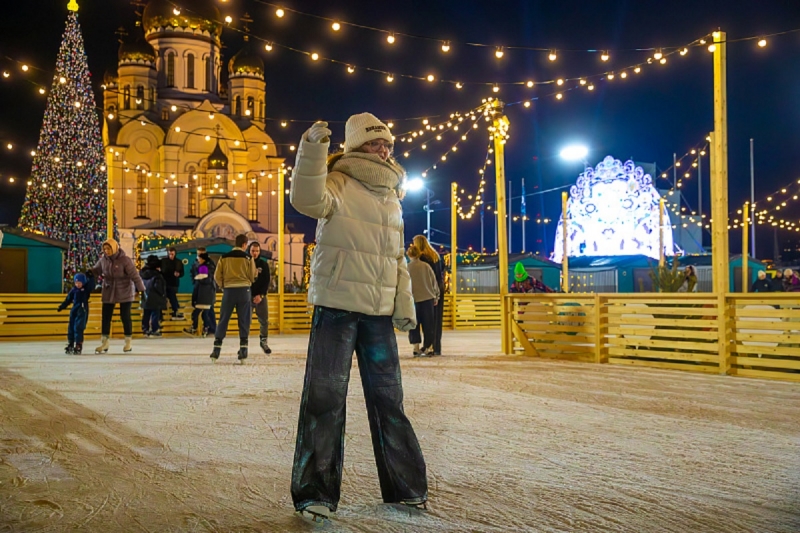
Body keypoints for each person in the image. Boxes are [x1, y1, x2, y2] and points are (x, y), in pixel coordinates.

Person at [289, 114, 427, 520]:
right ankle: (315, 491)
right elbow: (306, 199)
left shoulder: (391, 196)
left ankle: (405, 487)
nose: (383, 151)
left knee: (389, 400)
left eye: (386, 144)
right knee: (325, 397)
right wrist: (312, 150)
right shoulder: (338, 182)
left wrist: (404, 305)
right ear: (353, 148)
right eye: (374, 144)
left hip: (378, 316)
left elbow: (396, 258)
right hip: (337, 307)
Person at [91, 239, 145, 353]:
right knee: (106, 317)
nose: (107, 251)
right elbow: (96, 270)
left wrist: (142, 290)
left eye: (109, 248)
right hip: (109, 290)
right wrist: (89, 273)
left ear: (114, 248)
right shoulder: (103, 260)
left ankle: (128, 342)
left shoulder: (125, 260)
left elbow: (135, 275)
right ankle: (104, 343)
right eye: (105, 249)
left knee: (125, 316)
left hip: (125, 290)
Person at [210, 234, 256, 362]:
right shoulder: (248, 258)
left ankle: (216, 349)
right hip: (244, 291)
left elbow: (217, 276)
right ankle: (243, 350)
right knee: (244, 320)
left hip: (229, 291)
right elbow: (252, 276)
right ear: (244, 244)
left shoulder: (224, 258)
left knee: (224, 319)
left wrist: (223, 285)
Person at [413, 235, 444, 356]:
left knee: (427, 320)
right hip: (439, 288)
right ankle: (436, 347)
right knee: (436, 320)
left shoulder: (422, 258)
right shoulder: (436, 256)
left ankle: (427, 346)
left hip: (427, 290)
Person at [407, 244, 439, 357]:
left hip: (413, 300)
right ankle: (428, 347)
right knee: (428, 324)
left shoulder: (407, 268)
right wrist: (436, 296)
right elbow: (434, 282)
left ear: (409, 254)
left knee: (414, 325)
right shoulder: (426, 266)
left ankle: (415, 347)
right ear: (419, 254)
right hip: (427, 299)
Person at [57, 271, 96, 354]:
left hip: (82, 309)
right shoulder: (73, 290)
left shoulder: (86, 289)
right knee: (71, 326)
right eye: (76, 282)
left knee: (78, 327)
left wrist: (91, 277)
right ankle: (70, 343)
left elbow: (92, 285)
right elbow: (68, 299)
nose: (78, 284)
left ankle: (78, 344)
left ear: (83, 282)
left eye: (79, 283)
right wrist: (62, 306)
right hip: (74, 309)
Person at [247, 241, 272, 354]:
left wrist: (261, 295)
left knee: (264, 320)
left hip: (260, 297)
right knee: (246, 320)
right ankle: (244, 343)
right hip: (247, 296)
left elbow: (266, 281)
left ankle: (263, 341)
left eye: (257, 251)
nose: (255, 253)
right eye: (253, 251)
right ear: (249, 251)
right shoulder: (245, 263)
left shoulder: (263, 264)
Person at [184, 253, 216, 337]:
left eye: (199, 258)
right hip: (208, 298)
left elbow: (198, 288)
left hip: (201, 298)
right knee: (205, 314)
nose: (198, 260)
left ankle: (194, 328)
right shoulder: (210, 276)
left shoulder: (201, 275)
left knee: (196, 313)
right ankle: (205, 329)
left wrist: (194, 299)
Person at [140, 255, 167, 337]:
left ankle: (145, 329)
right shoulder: (157, 275)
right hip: (156, 297)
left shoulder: (143, 274)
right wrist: (163, 294)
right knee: (155, 314)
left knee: (146, 313)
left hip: (145, 296)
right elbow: (158, 287)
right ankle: (154, 329)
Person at [191, 247, 217, 331]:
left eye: (201, 254)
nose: (199, 256)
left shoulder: (209, 264)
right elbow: (192, 273)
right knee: (205, 312)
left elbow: (209, 277)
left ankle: (210, 328)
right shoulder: (196, 262)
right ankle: (207, 327)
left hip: (207, 290)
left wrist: (199, 279)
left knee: (207, 311)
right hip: (200, 289)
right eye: (198, 254)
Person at [161, 247, 185, 320]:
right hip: (164, 282)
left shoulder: (178, 262)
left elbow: (182, 273)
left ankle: (175, 311)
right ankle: (163, 313)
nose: (171, 256)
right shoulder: (163, 261)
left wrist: (179, 274)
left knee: (172, 297)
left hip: (173, 283)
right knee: (165, 297)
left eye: (172, 254)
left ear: (175, 254)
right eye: (170, 254)